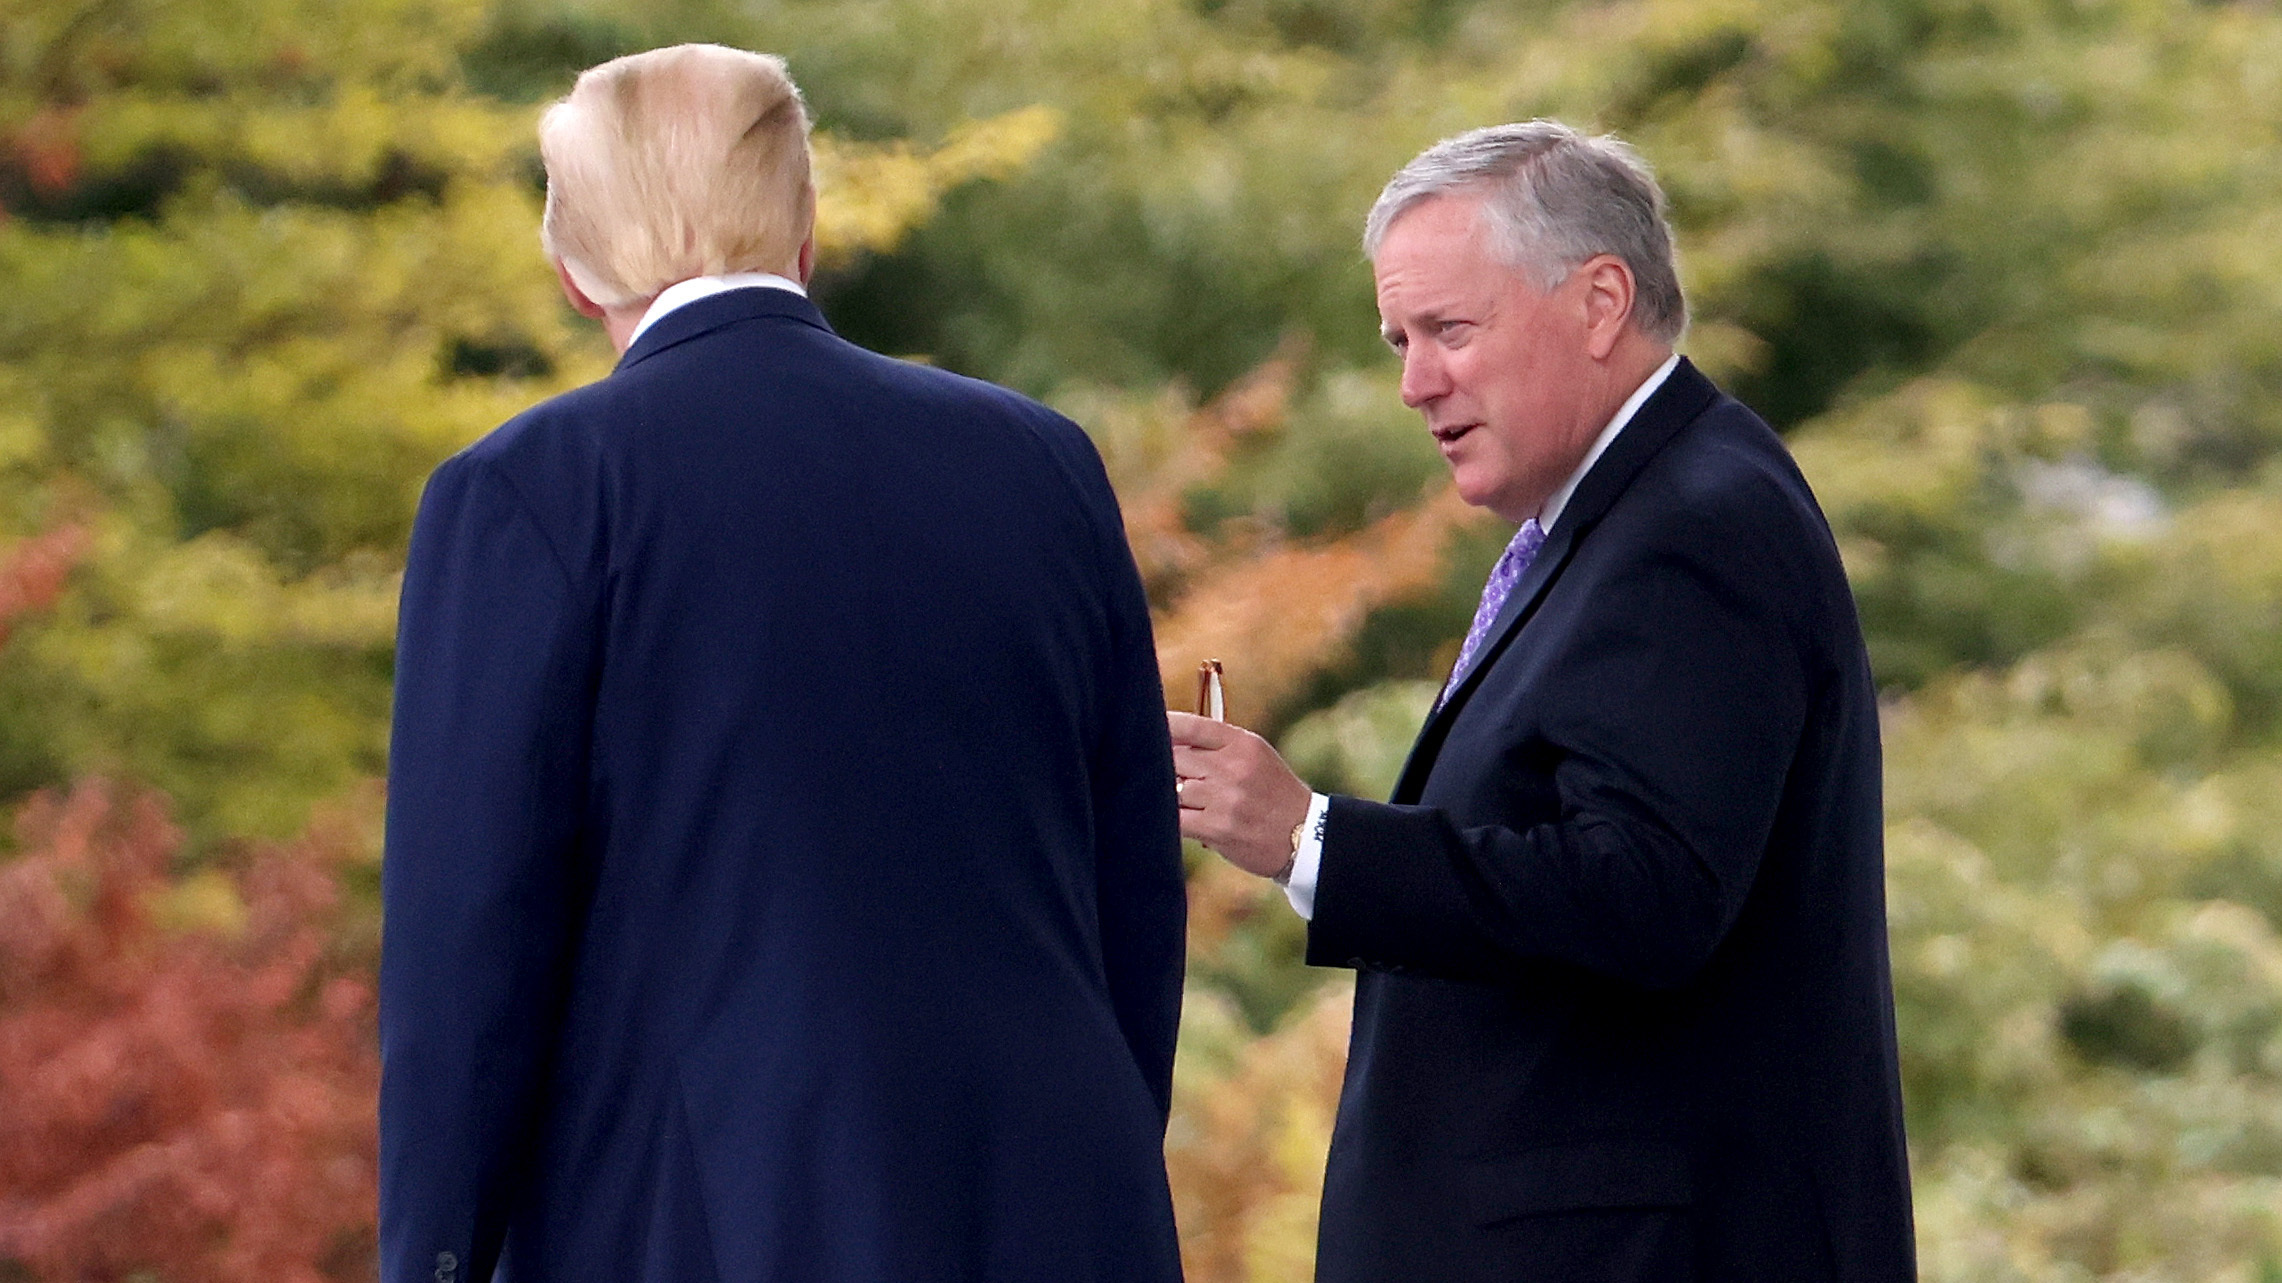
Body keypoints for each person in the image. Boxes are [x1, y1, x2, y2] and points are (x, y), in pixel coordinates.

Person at [380, 44, 1186, 1283]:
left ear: (570, 270)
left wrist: (434, 1255)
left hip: (703, 1218)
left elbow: (466, 939)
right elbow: (1131, 880)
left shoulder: (529, 493)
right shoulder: (1041, 464)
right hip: (1059, 1199)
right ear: (804, 236)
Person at [1169, 121, 1915, 1281]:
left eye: (1449, 331)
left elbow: (1645, 894)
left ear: (1599, 301)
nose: (1415, 383)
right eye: (1398, 341)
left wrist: (1309, 838)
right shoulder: (1630, 513)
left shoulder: (1695, 523)